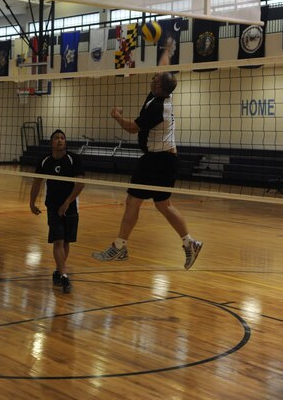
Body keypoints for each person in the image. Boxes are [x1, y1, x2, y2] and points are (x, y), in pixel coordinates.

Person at [92, 43, 202, 270]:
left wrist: (116, 117)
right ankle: (189, 242)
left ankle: (120, 246)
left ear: (160, 86)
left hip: (158, 161)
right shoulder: (158, 95)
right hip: (163, 159)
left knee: (134, 201)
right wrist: (168, 48)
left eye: (155, 78)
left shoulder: (158, 107)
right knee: (163, 205)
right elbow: (163, 69)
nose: (151, 78)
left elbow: (132, 128)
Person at [30, 129, 85, 293]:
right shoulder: (45, 161)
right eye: (56, 138)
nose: (60, 140)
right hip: (53, 206)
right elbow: (36, 183)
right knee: (58, 240)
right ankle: (64, 276)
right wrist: (31, 203)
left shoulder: (74, 159)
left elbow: (80, 184)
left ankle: (58, 270)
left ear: (65, 142)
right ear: (51, 143)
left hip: (71, 205)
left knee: (66, 241)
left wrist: (67, 202)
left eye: (62, 138)